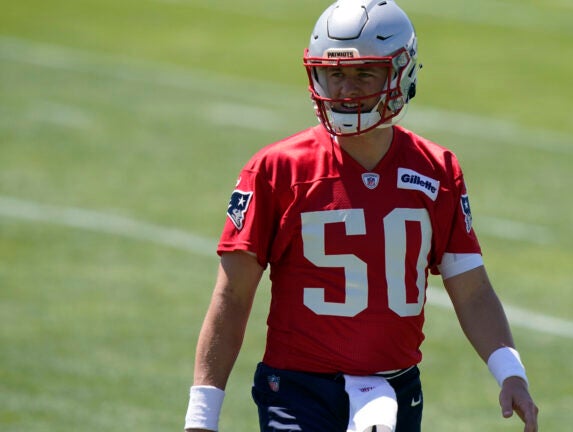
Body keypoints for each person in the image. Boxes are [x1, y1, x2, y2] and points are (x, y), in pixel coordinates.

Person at [184, 1, 539, 431]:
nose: (346, 90)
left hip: (396, 391)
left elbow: (472, 290)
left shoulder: (437, 169)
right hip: (298, 391)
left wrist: (510, 371)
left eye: (363, 74)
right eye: (335, 74)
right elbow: (232, 296)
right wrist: (202, 416)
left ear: (401, 73)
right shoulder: (278, 170)